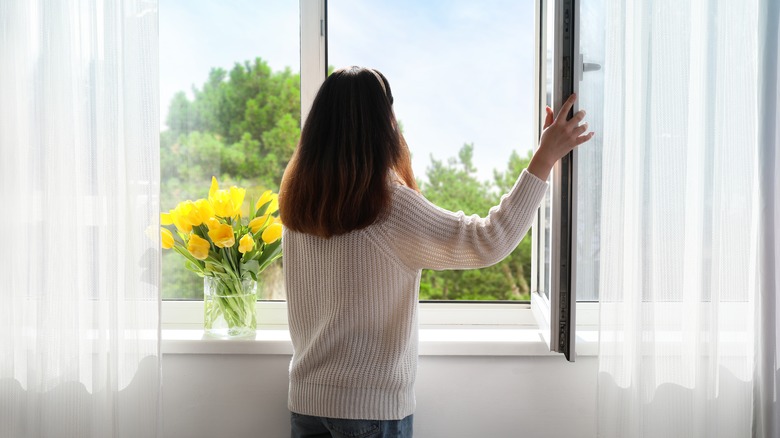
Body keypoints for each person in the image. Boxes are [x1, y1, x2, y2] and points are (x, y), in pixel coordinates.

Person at [279, 66, 593, 438]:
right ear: (384, 123)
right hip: (369, 413)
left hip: (306, 404)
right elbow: (488, 239)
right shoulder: (388, 205)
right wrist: (544, 159)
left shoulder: (299, 204)